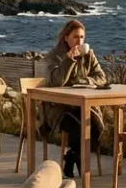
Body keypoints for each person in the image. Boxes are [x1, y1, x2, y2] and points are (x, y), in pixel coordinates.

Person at [43, 20, 106, 179]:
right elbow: (57, 81)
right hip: (59, 107)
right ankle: (80, 167)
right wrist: (69, 60)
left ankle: (71, 158)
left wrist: (86, 82)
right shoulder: (54, 56)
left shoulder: (89, 54)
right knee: (79, 129)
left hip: (83, 105)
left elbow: (101, 77)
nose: (80, 41)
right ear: (66, 38)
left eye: (82, 37)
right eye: (76, 37)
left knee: (97, 129)